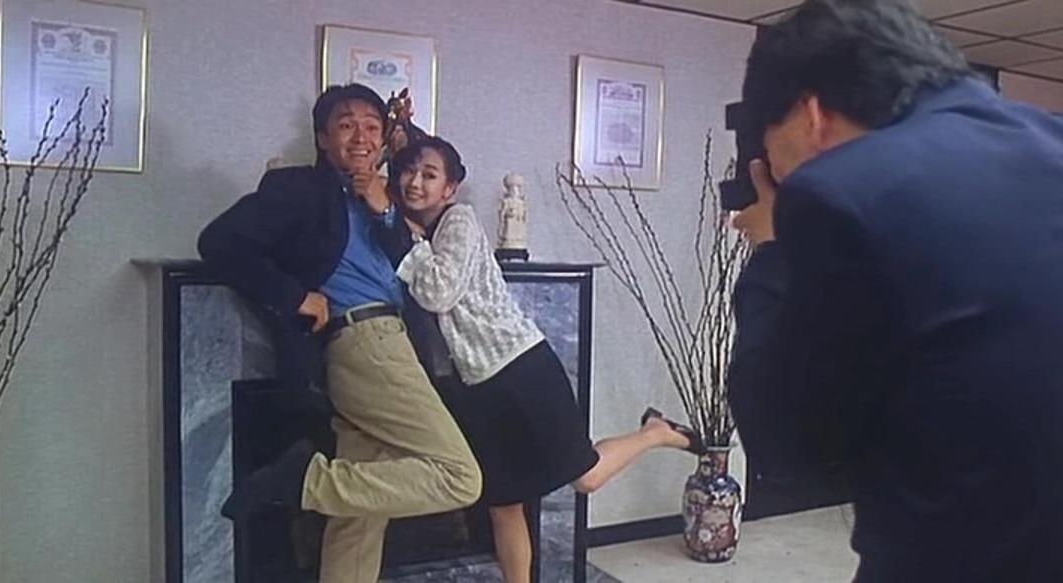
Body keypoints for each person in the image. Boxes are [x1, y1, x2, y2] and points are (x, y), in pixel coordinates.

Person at [727, 1, 1063, 581]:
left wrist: (773, 246)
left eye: (774, 154)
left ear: (812, 115)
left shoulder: (841, 190)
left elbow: (789, 446)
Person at [196, 83, 481, 583]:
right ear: (323, 138)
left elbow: (431, 165)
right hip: (365, 341)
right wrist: (294, 296)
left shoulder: (387, 198)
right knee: (460, 476)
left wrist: (388, 187)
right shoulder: (299, 189)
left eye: (372, 127)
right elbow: (219, 242)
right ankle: (305, 481)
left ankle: (316, 494)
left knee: (359, 517)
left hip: (386, 344)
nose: (361, 137)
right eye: (346, 125)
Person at [386, 136, 697, 583]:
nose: (415, 182)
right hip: (475, 387)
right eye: (408, 171)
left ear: (450, 188)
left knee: (585, 477)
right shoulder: (410, 233)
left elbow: (438, 292)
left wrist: (410, 241)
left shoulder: (459, 220)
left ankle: (656, 433)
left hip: (521, 367)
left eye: (429, 174)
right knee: (503, 504)